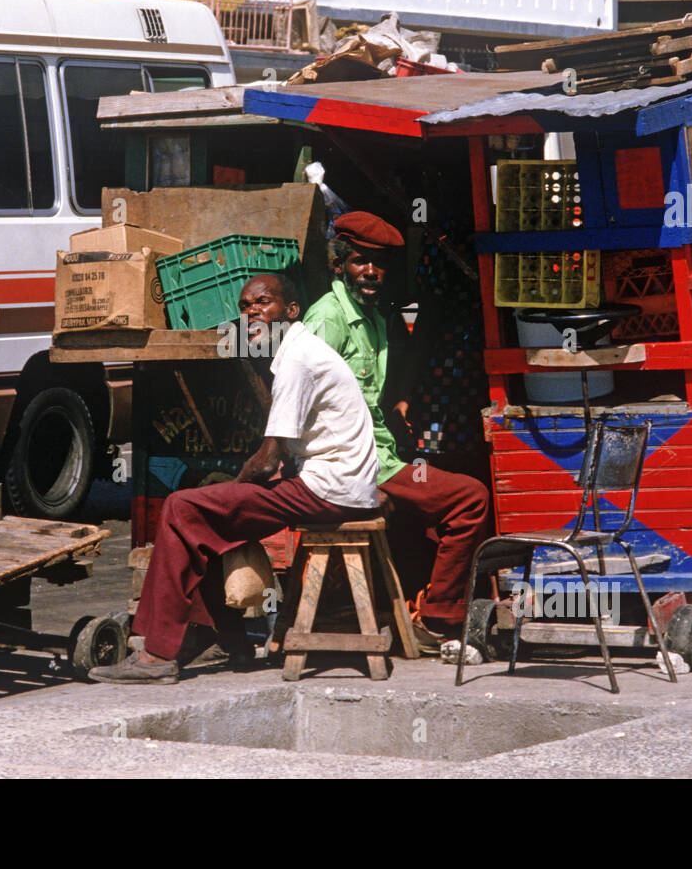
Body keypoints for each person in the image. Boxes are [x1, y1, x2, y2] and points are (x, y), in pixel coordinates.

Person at [91, 272, 380, 684]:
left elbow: (266, 460)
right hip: (337, 485)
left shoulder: (298, 359)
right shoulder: (296, 352)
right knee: (204, 520)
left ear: (291, 311)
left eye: (263, 303)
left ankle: (156, 656)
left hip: (329, 489)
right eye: (245, 307)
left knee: (181, 506)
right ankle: (236, 645)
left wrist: (231, 489)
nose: (252, 313)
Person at [302, 211, 491, 651]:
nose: (371, 272)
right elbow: (301, 403)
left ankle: (415, 603)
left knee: (437, 500)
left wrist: (398, 413)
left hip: (379, 455)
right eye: (360, 262)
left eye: (379, 264)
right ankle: (438, 617)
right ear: (339, 265)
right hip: (355, 463)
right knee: (470, 498)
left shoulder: (371, 316)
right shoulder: (328, 318)